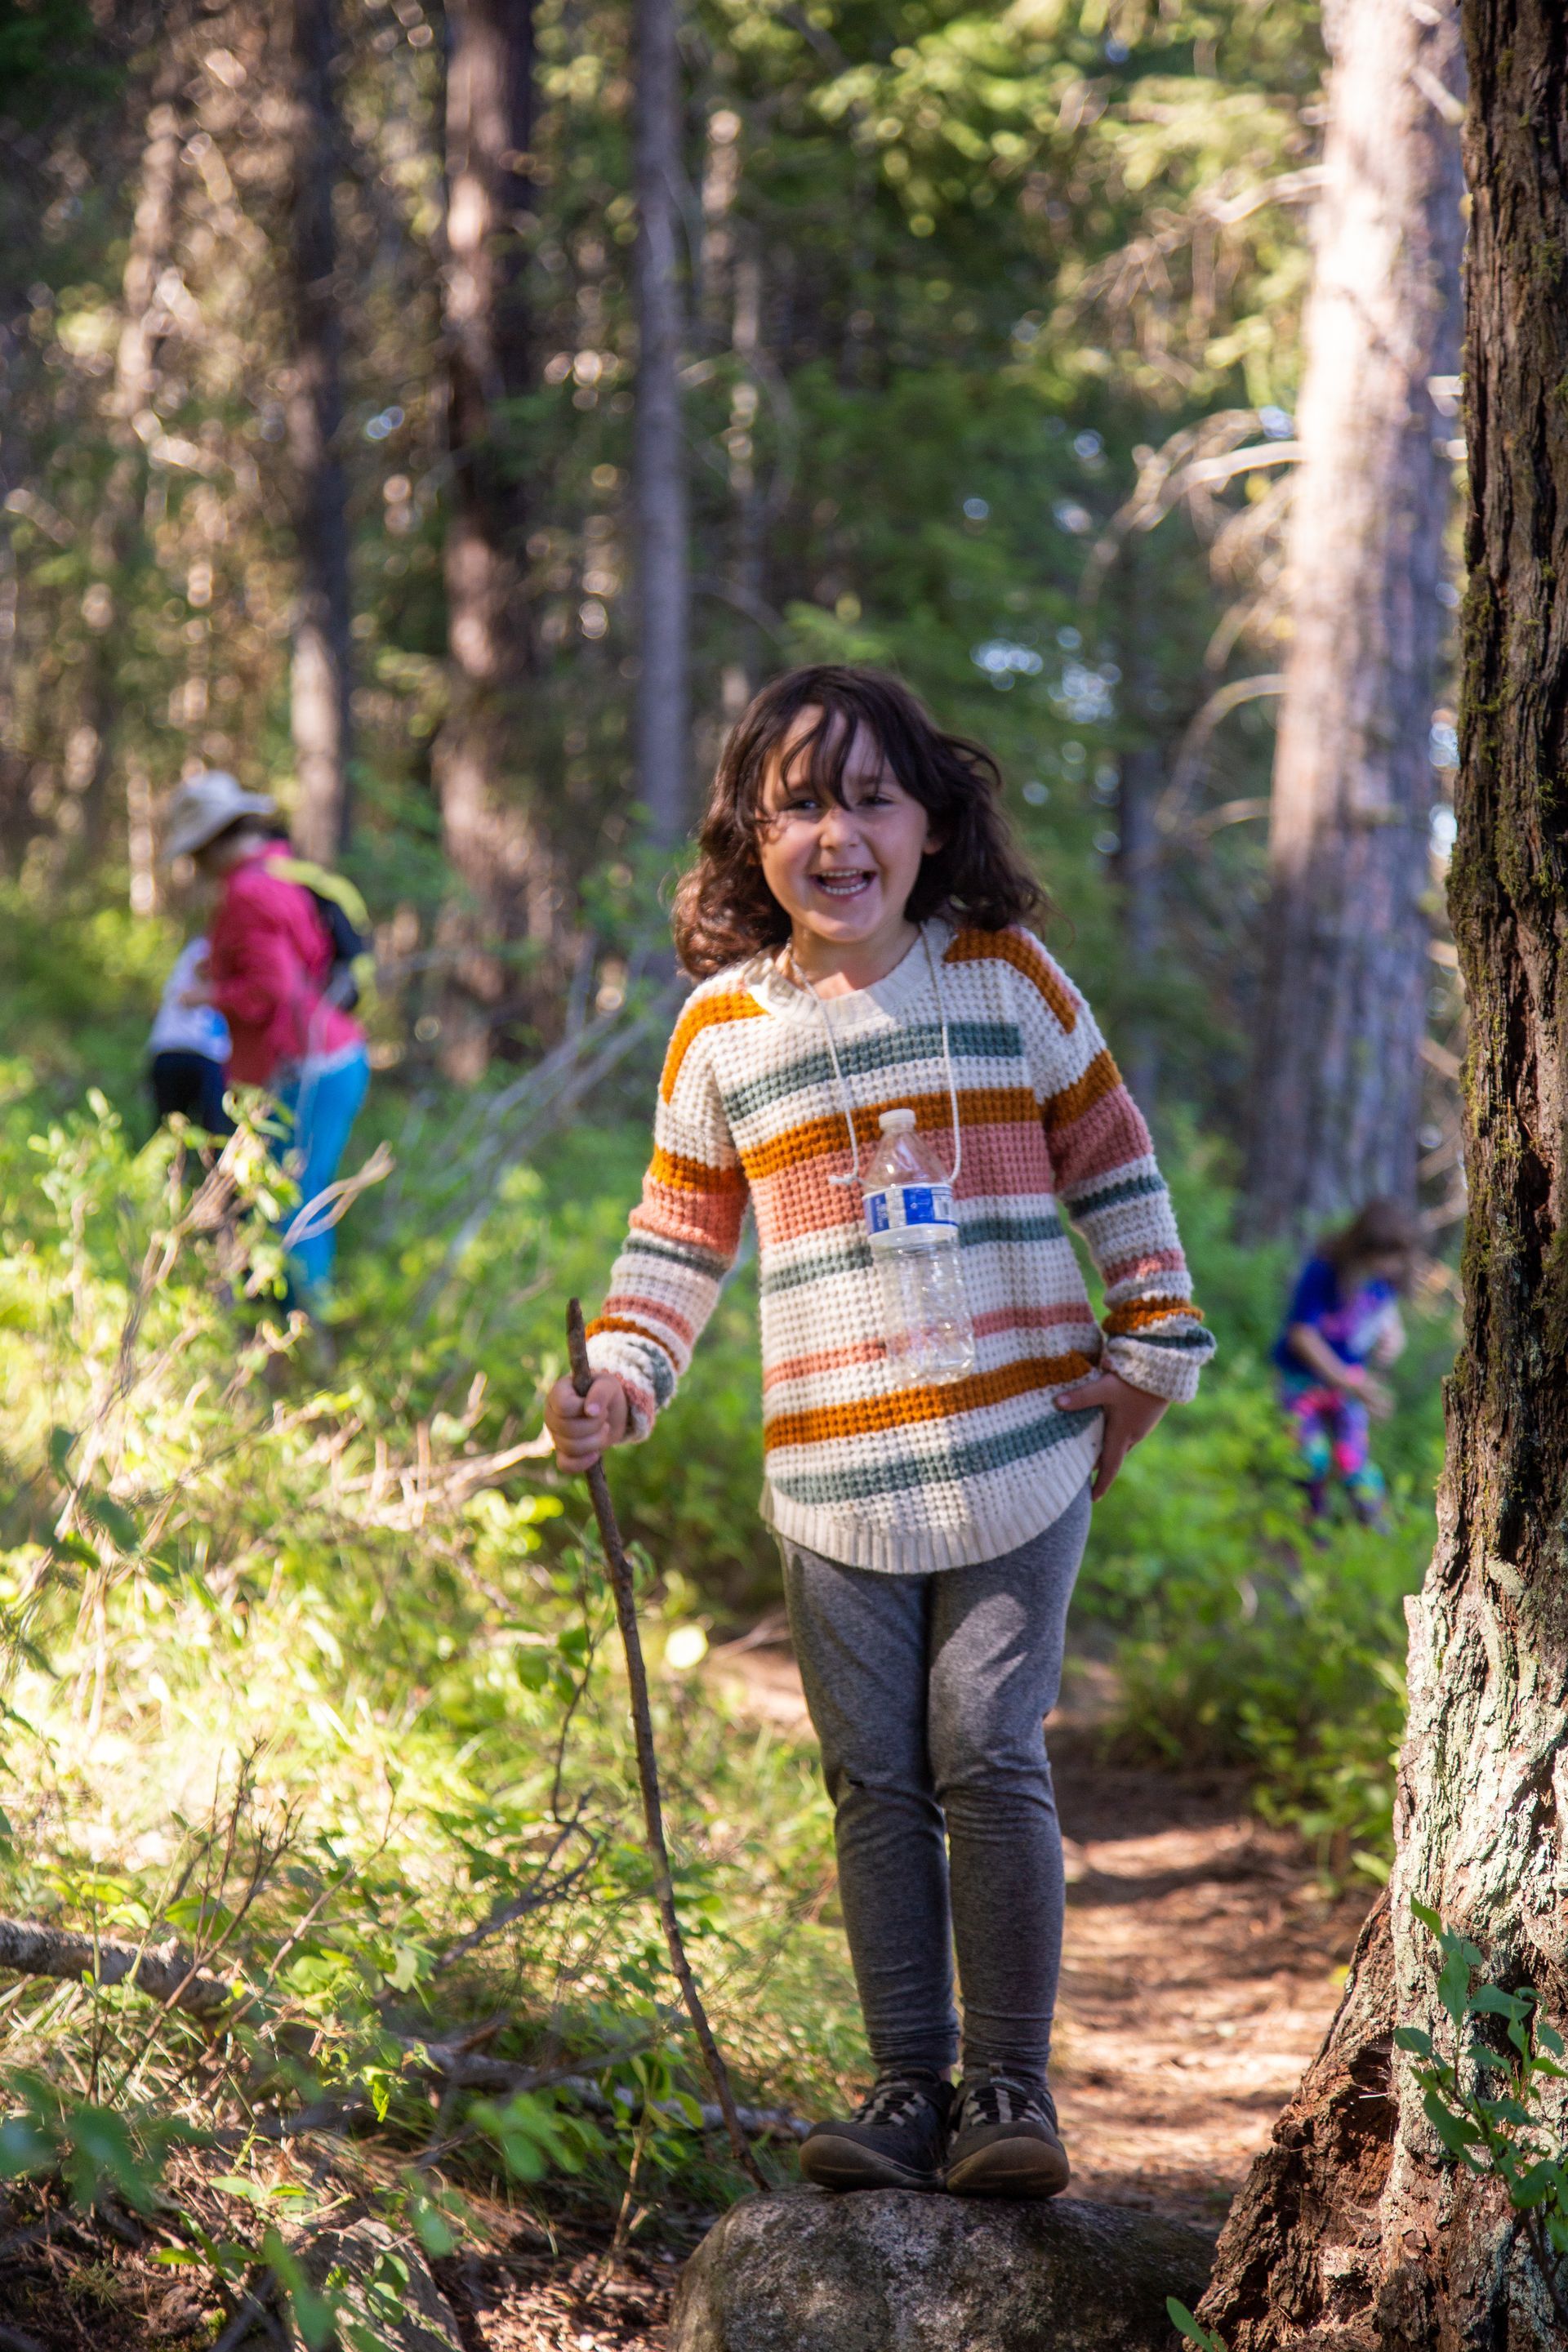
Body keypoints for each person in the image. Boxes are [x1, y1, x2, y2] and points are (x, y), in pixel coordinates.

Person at [543, 666, 1214, 2199]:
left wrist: (1152, 1348)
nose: (835, 838)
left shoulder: (1006, 979)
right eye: (797, 807)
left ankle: (1011, 2097)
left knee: (983, 1748)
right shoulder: (725, 1032)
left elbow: (1116, 1165)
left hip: (1019, 1441)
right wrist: (619, 1377)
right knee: (873, 1776)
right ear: (750, 838)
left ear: (928, 823)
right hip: (831, 1474)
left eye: (868, 800)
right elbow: (674, 1242)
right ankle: (908, 2087)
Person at [162, 771, 370, 1303]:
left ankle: (304, 1332)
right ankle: (300, 1328)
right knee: (297, 1194)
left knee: (295, 1204)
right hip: (328, 1055)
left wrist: (206, 997)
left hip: (309, 1064)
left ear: (208, 847)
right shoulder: (276, 876)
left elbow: (272, 989)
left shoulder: (247, 894)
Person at [1272, 1198, 1416, 1526]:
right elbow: (1302, 1334)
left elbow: (1388, 1321)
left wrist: (1394, 1339)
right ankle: (1307, 1535)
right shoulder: (1324, 1271)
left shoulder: (1382, 1283)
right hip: (1303, 1383)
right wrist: (1346, 1379)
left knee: (1354, 1462)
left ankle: (1375, 1535)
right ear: (1362, 1249)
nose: (1390, 1267)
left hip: (1350, 1385)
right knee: (1310, 1459)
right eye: (1383, 1258)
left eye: (1395, 1259)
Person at [147, 936, 233, 1137]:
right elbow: (205, 967)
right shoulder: (206, 947)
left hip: (203, 1055)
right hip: (184, 1051)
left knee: (209, 1134)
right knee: (172, 1133)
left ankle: (202, 1167)